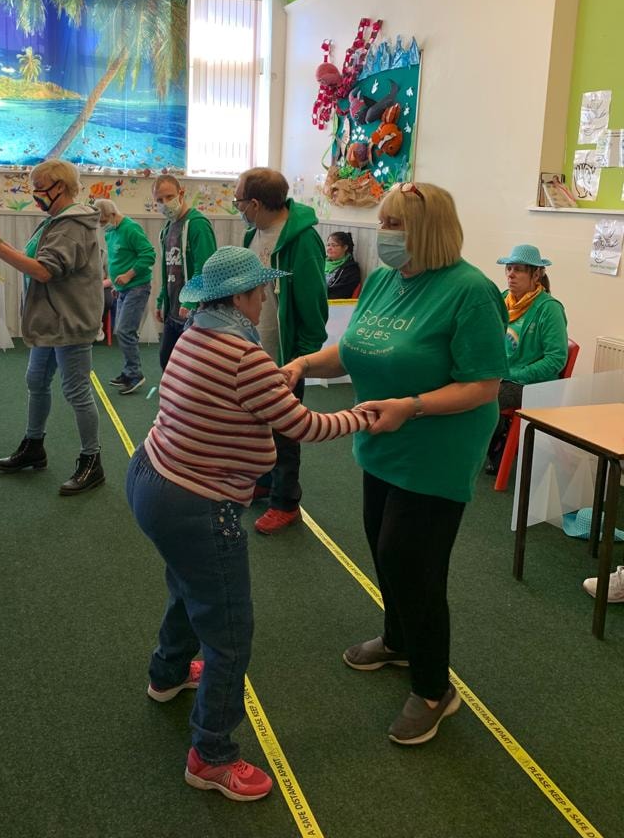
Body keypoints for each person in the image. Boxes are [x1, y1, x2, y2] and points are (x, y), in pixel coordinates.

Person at [126, 247, 373, 801]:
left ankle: (167, 673)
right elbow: (303, 427)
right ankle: (211, 756)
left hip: (151, 477)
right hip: (195, 503)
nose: (265, 299)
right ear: (240, 296)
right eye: (261, 290)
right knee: (230, 633)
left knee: (187, 586)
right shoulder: (244, 355)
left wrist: (276, 379)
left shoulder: (195, 333)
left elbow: (238, 399)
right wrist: (363, 416)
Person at [283, 182, 508, 746]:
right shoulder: (386, 279)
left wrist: (413, 406)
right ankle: (398, 641)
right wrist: (306, 362)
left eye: (392, 224)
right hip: (381, 442)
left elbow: (484, 385)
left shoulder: (470, 291)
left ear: (426, 231)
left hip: (437, 451)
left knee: (413, 564)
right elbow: (355, 348)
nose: (381, 234)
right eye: (383, 222)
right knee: (384, 548)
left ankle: (434, 690)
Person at [0, 159, 105, 496]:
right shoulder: (53, 222)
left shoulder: (72, 225)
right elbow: (34, 261)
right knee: (36, 381)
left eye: (40, 188)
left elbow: (44, 271)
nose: (35, 194)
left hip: (69, 321)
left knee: (76, 390)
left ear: (60, 187)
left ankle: (92, 461)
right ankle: (34, 445)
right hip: (50, 320)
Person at [235, 168, 328, 535]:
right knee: (256, 423)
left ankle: (286, 502)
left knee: (284, 431)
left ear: (256, 204)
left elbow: (313, 305)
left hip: (286, 356)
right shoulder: (253, 233)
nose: (238, 208)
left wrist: (301, 361)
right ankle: (264, 481)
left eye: (240, 201)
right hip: (255, 349)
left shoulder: (301, 240)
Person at [485, 244, 568, 474]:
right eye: (509, 268)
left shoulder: (549, 309)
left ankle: (496, 442)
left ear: (537, 274)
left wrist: (513, 374)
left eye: (519, 269)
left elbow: (556, 360)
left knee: (483, 397)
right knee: (461, 385)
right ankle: (496, 437)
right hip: (501, 375)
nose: (511, 274)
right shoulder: (503, 299)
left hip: (532, 384)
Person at [153, 174, 216, 369]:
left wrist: (190, 300)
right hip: (173, 312)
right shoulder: (167, 229)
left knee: (191, 370)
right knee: (167, 363)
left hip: (193, 313)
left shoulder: (197, 224)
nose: (165, 203)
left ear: (181, 194)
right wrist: (161, 300)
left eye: (169, 197)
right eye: (159, 200)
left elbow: (205, 267)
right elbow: (168, 270)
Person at [96, 199, 156, 395]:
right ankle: (129, 371)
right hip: (123, 289)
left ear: (113, 215)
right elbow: (116, 260)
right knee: (122, 330)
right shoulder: (110, 232)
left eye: (103, 221)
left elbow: (149, 255)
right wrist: (116, 284)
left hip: (137, 287)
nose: (102, 225)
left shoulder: (131, 228)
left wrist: (129, 275)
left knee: (125, 330)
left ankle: (135, 375)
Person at [325, 231, 361, 299]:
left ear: (345, 247)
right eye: (328, 245)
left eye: (334, 245)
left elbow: (340, 293)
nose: (329, 248)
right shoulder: (321, 263)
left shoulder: (351, 269)